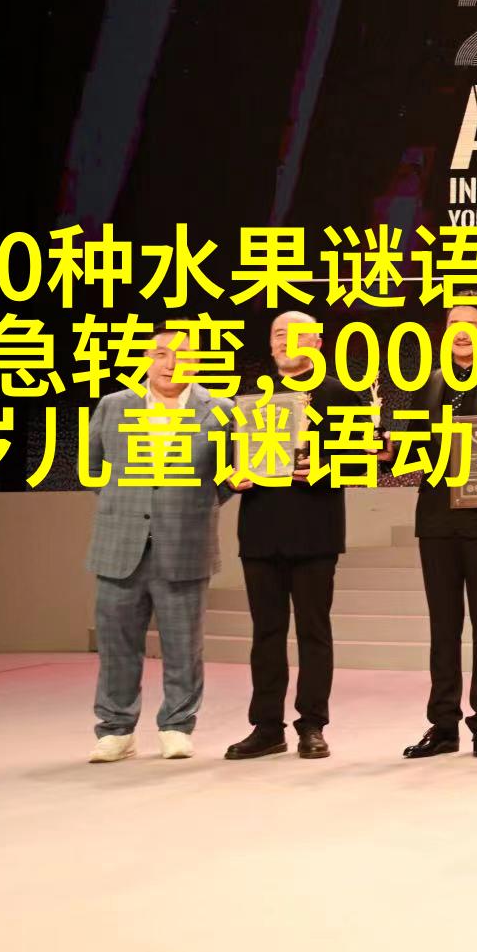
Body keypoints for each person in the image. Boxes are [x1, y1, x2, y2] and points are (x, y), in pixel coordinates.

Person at [82, 327, 235, 763]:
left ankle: (177, 725)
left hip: (185, 541)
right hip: (120, 544)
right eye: (161, 353)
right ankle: (116, 730)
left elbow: (229, 476)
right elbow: (93, 469)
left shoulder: (220, 410)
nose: (170, 363)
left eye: (182, 354)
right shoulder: (114, 405)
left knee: (184, 645)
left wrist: (190, 504)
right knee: (117, 645)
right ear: (146, 358)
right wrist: (131, 504)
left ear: (198, 362)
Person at [394, 302, 477, 760]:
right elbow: (415, 449)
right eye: (454, 324)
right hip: (436, 517)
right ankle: (443, 724)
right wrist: (387, 451)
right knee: (443, 626)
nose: (462, 331)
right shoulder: (429, 383)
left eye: (471, 324)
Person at [224, 310, 358, 761]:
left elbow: (363, 459)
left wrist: (324, 467)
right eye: (278, 334)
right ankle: (266, 727)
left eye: (296, 334)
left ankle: (312, 725)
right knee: (265, 633)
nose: (285, 340)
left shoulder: (340, 394)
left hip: (315, 529)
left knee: (314, 632)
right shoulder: (251, 399)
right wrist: (231, 476)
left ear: (317, 342)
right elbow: (226, 458)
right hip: (260, 529)